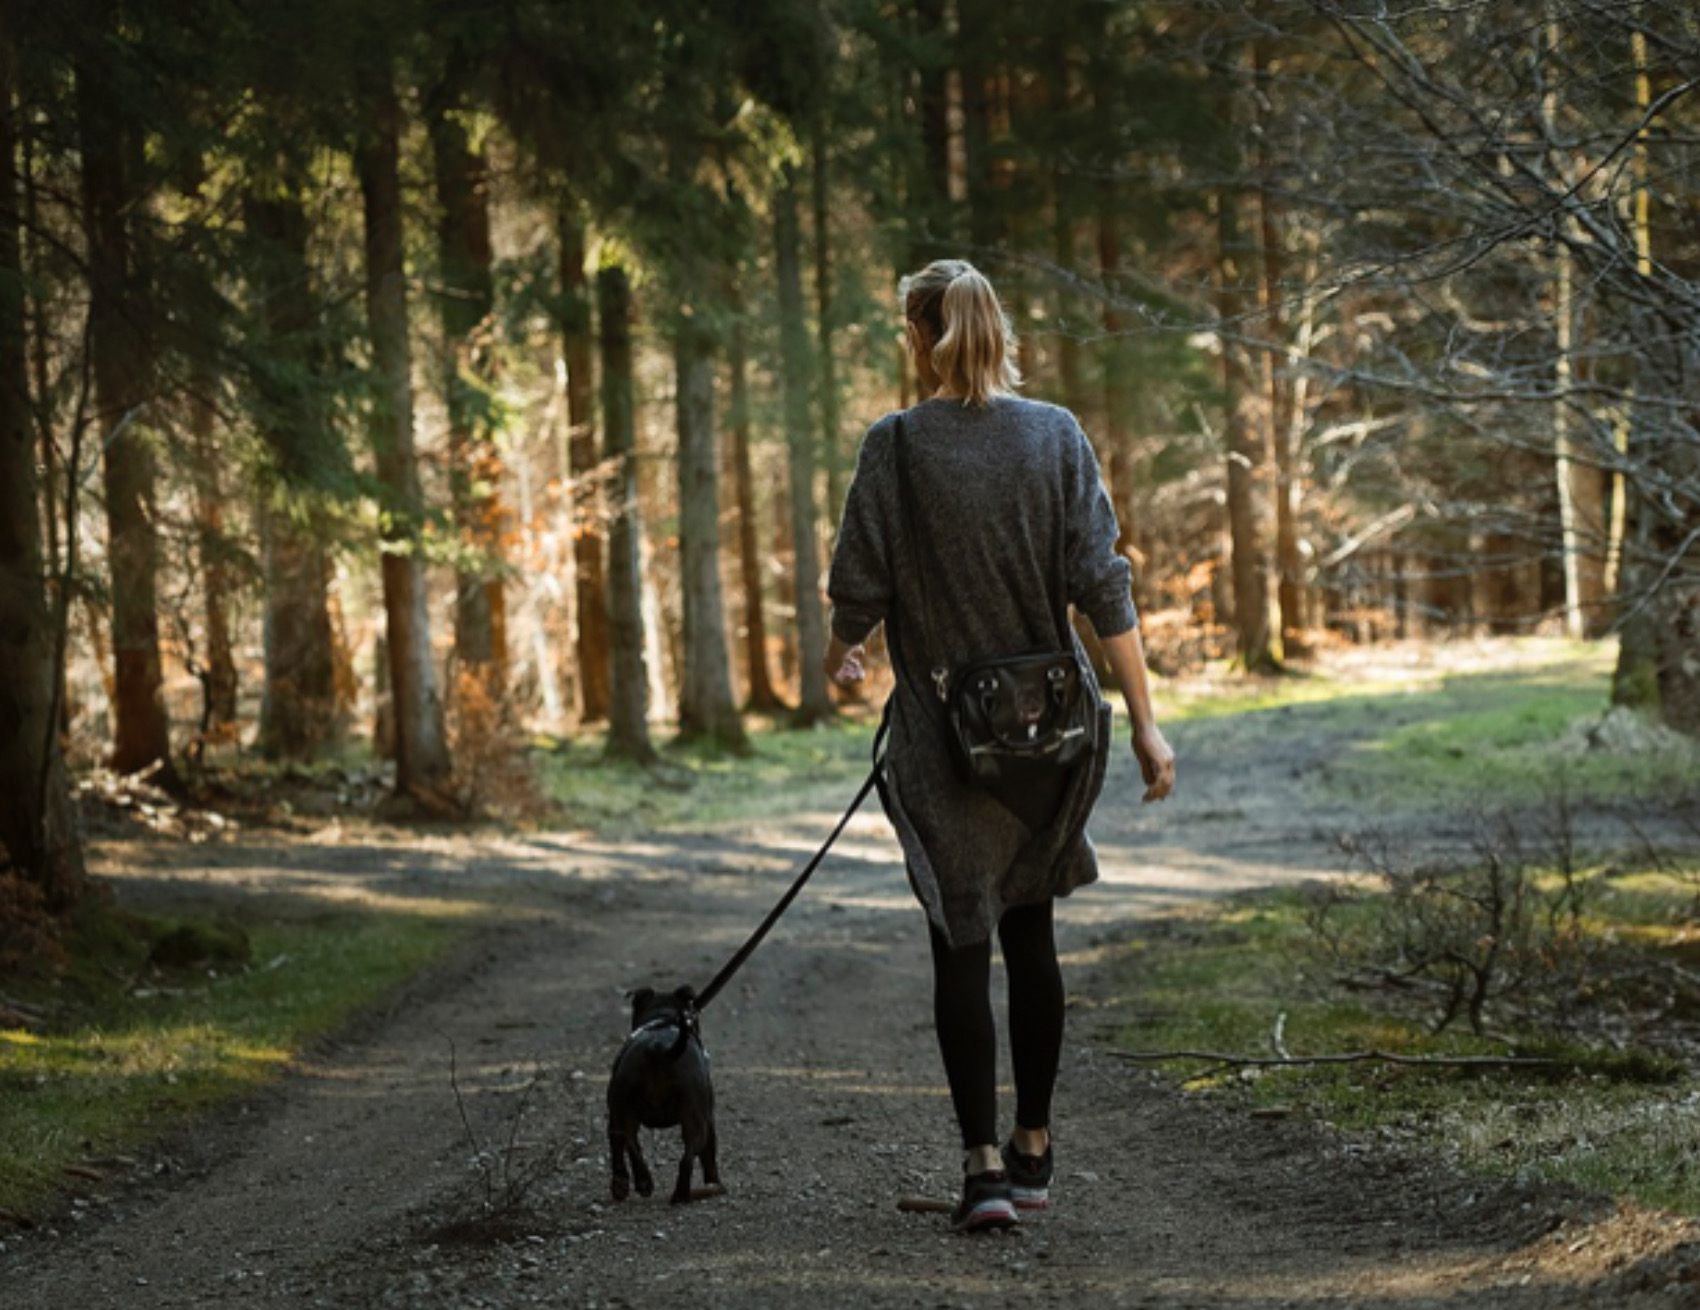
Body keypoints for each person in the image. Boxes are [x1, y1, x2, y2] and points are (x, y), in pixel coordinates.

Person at [823, 258, 1176, 1233]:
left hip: (943, 736)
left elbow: (856, 589)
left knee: (958, 940)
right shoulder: (1055, 435)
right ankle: (1032, 1144)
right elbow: (1102, 585)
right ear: (992, 328)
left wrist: (840, 658)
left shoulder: (892, 448)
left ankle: (979, 1167)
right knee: (1032, 932)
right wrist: (1144, 719)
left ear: (916, 335)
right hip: (1053, 728)